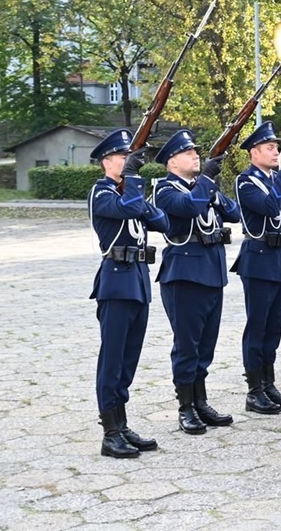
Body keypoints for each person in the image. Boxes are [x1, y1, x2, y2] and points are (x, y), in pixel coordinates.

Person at [154, 130, 241, 435]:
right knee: (187, 345)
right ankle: (185, 407)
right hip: (185, 276)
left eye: (196, 152)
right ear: (172, 161)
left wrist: (212, 188)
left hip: (211, 274)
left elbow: (234, 213)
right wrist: (205, 184)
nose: (196, 156)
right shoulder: (165, 190)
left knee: (206, 345)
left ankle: (200, 400)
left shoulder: (201, 188)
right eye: (188, 153)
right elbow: (189, 208)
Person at [88, 130, 168, 458]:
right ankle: (109, 431)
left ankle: (121, 422)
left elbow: (162, 221)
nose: (129, 163)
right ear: (108, 162)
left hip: (137, 280)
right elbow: (129, 207)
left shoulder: (126, 193)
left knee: (129, 358)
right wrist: (133, 181)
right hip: (116, 282)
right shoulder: (101, 192)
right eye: (124, 158)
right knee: (113, 358)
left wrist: (134, 186)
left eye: (130, 158)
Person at [232, 121, 281, 416]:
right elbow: (269, 208)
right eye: (269, 148)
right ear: (254, 152)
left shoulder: (274, 180)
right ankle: (254, 389)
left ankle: (268, 382)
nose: (275, 152)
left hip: (280, 258)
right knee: (257, 326)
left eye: (275, 147)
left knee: (274, 327)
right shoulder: (246, 182)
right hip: (258, 259)